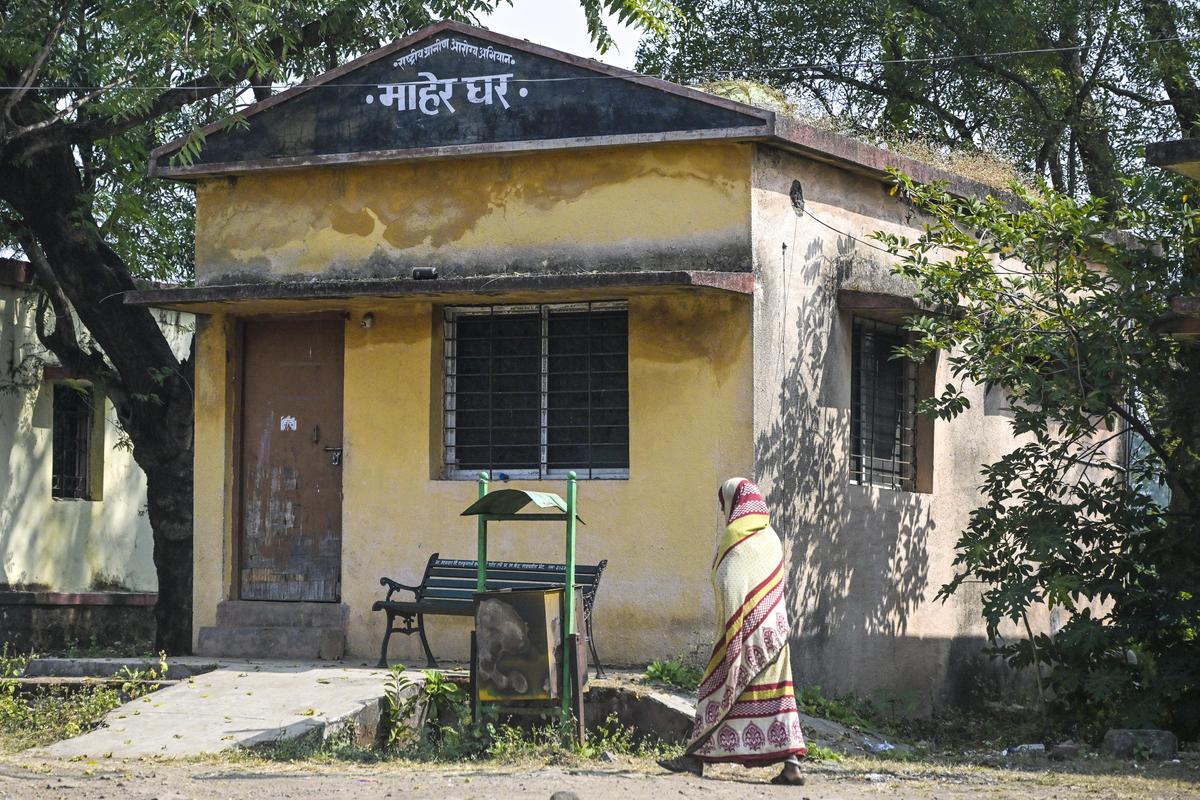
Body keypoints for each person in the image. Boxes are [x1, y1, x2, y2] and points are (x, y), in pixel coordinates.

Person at [659, 477, 807, 785]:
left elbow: (726, 581)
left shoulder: (734, 537)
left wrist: (733, 623)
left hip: (745, 631)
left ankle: (694, 759)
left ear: (734, 503)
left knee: (714, 689)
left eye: (724, 503)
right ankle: (791, 765)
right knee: (780, 698)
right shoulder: (772, 538)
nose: (723, 509)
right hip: (775, 633)